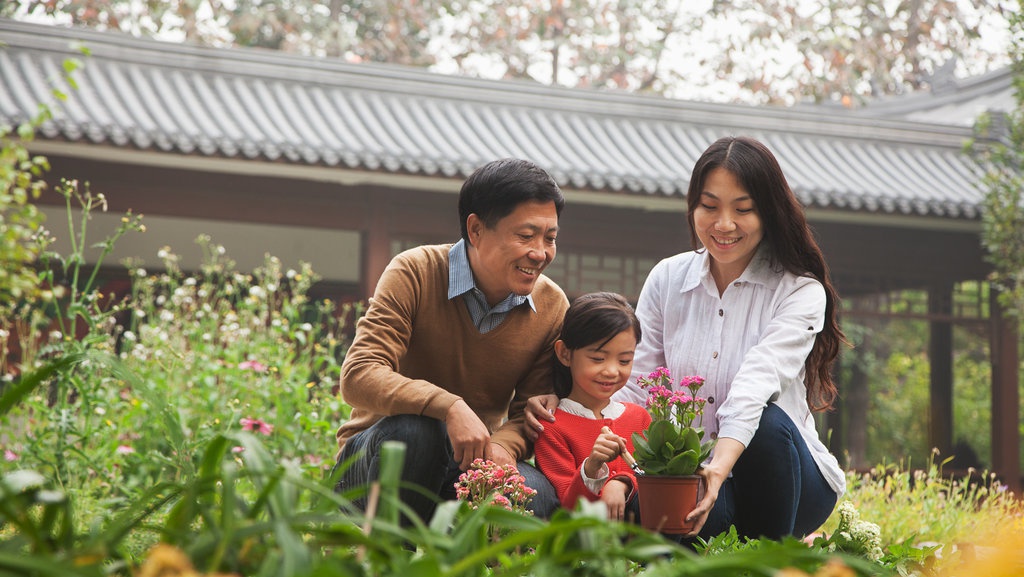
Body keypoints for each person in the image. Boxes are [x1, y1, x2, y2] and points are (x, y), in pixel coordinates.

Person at [527, 136, 847, 541]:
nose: (724, 224)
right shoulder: (667, 278)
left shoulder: (799, 291)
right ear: (693, 206)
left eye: (743, 209)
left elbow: (756, 383)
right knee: (651, 511)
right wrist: (579, 409)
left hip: (789, 478)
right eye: (709, 207)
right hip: (689, 479)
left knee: (765, 423)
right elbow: (637, 385)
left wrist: (718, 467)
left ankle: (775, 556)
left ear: (768, 213)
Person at [334, 158, 569, 523]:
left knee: (535, 497)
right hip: (376, 458)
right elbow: (360, 374)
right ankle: (384, 559)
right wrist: (449, 407)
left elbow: (530, 412)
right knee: (417, 432)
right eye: (525, 236)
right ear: (475, 229)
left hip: (470, 463)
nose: (540, 253)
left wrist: (502, 448)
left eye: (549, 238)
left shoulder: (553, 306)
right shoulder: (414, 271)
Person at [533, 292, 649, 523]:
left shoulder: (640, 418)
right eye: (598, 359)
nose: (612, 371)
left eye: (624, 361)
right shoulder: (552, 425)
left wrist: (622, 483)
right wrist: (592, 466)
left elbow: (655, 477)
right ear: (565, 354)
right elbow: (567, 506)